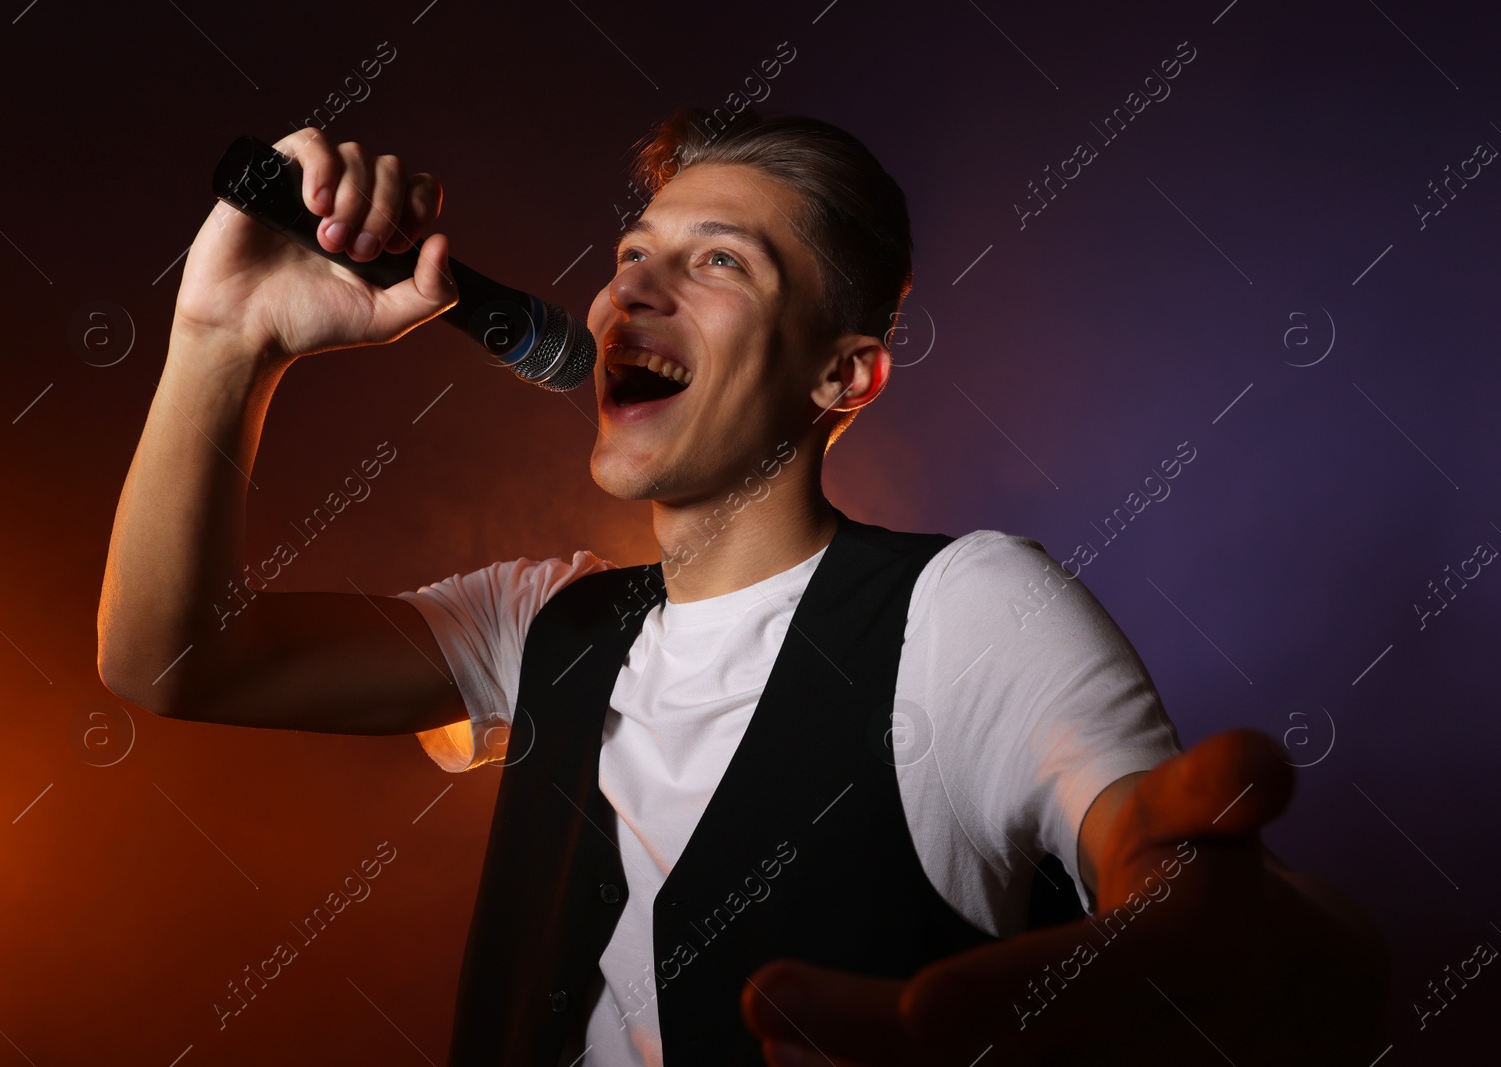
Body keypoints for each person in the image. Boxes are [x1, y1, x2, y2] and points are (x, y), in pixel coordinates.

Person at [98, 109, 1389, 1065]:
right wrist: (225, 339)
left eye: (718, 263)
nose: (629, 288)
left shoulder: (965, 609)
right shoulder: (543, 619)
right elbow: (175, 660)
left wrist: (1204, 913)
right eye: (633, 252)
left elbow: (1169, 885)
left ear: (845, 378)